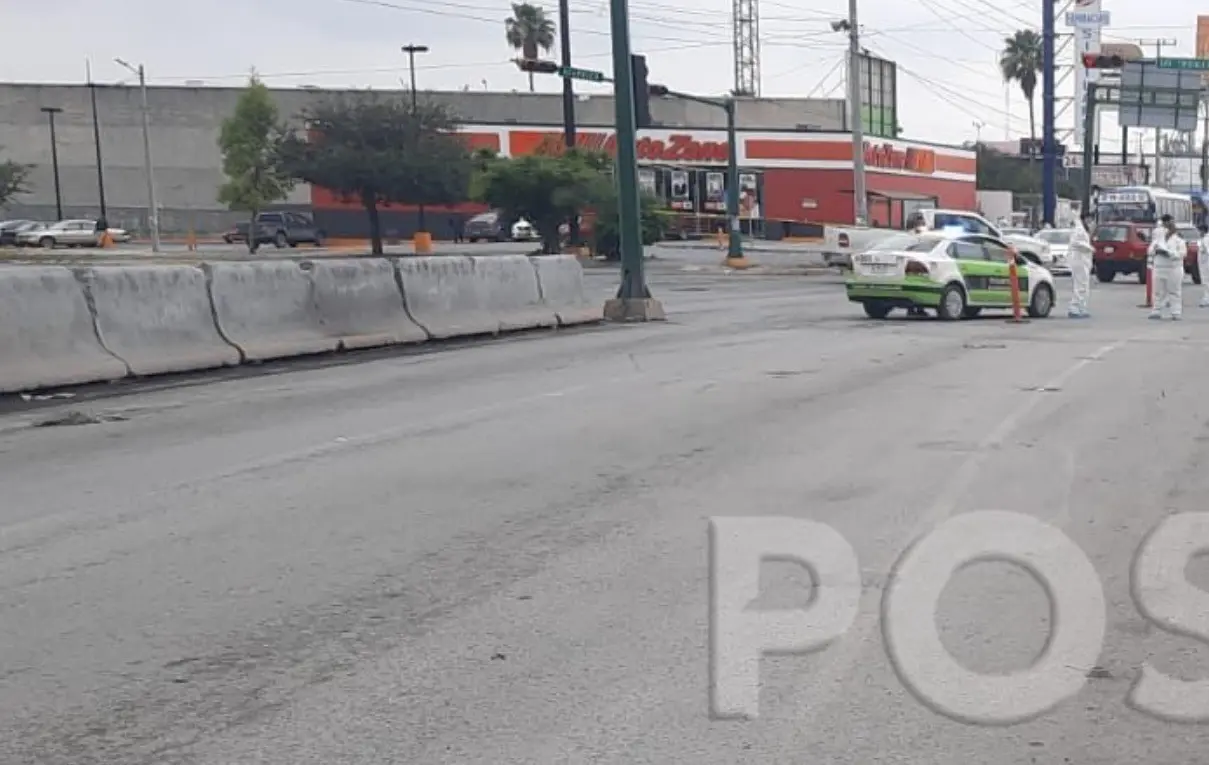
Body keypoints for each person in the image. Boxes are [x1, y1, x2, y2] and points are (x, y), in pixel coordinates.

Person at [1148, 214, 1187, 320]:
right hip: (1159, 267)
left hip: (1173, 268)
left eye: (1169, 224)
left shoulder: (1179, 238)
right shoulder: (1158, 239)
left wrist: (1170, 253)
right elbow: (1150, 251)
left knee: (1174, 291)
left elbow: (1182, 253)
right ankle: (1156, 310)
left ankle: (1176, 312)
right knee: (1157, 291)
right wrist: (1156, 250)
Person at [1067, 213, 1094, 318]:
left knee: (1083, 285)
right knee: (1080, 285)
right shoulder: (1079, 229)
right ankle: (1075, 308)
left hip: (1083, 261)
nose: (1091, 222)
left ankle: (1081, 308)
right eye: (1090, 219)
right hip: (1079, 260)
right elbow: (1076, 243)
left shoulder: (1082, 229)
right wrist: (1089, 248)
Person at [1198, 222, 1209, 308]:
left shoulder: (1206, 239)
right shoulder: (1203, 239)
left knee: (1206, 282)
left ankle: (1207, 299)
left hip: (1206, 264)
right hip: (1204, 264)